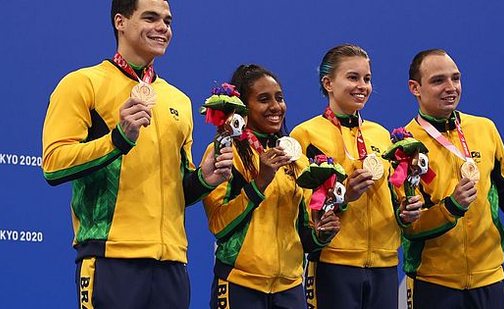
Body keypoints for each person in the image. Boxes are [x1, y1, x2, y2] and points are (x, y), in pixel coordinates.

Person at [42, 1, 233, 308]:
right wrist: (118, 139)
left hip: (172, 262)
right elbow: (53, 165)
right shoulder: (82, 84)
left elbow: (178, 190)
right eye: (151, 18)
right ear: (121, 21)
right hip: (111, 258)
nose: (163, 27)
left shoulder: (179, 101)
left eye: (168, 21)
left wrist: (204, 179)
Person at [395, 48, 504, 308]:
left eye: (455, 78)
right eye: (438, 80)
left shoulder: (485, 129)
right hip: (433, 281)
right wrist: (452, 207)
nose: (451, 87)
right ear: (415, 88)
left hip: (489, 276)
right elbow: (410, 226)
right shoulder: (405, 145)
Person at [291, 44, 422, 309]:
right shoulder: (305, 135)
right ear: (328, 83)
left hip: (384, 262)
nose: (362, 85)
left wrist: (407, 209)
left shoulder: (382, 135)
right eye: (352, 77)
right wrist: (344, 196)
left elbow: (395, 193)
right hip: (334, 262)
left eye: (367, 79)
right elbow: (303, 210)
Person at [202, 64, 341, 309]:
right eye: (264, 99)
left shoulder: (295, 158)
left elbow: (303, 233)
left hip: (289, 288)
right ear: (244, 107)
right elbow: (219, 225)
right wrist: (260, 182)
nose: (276, 107)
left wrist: (320, 234)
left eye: (279, 98)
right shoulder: (225, 153)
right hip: (240, 285)